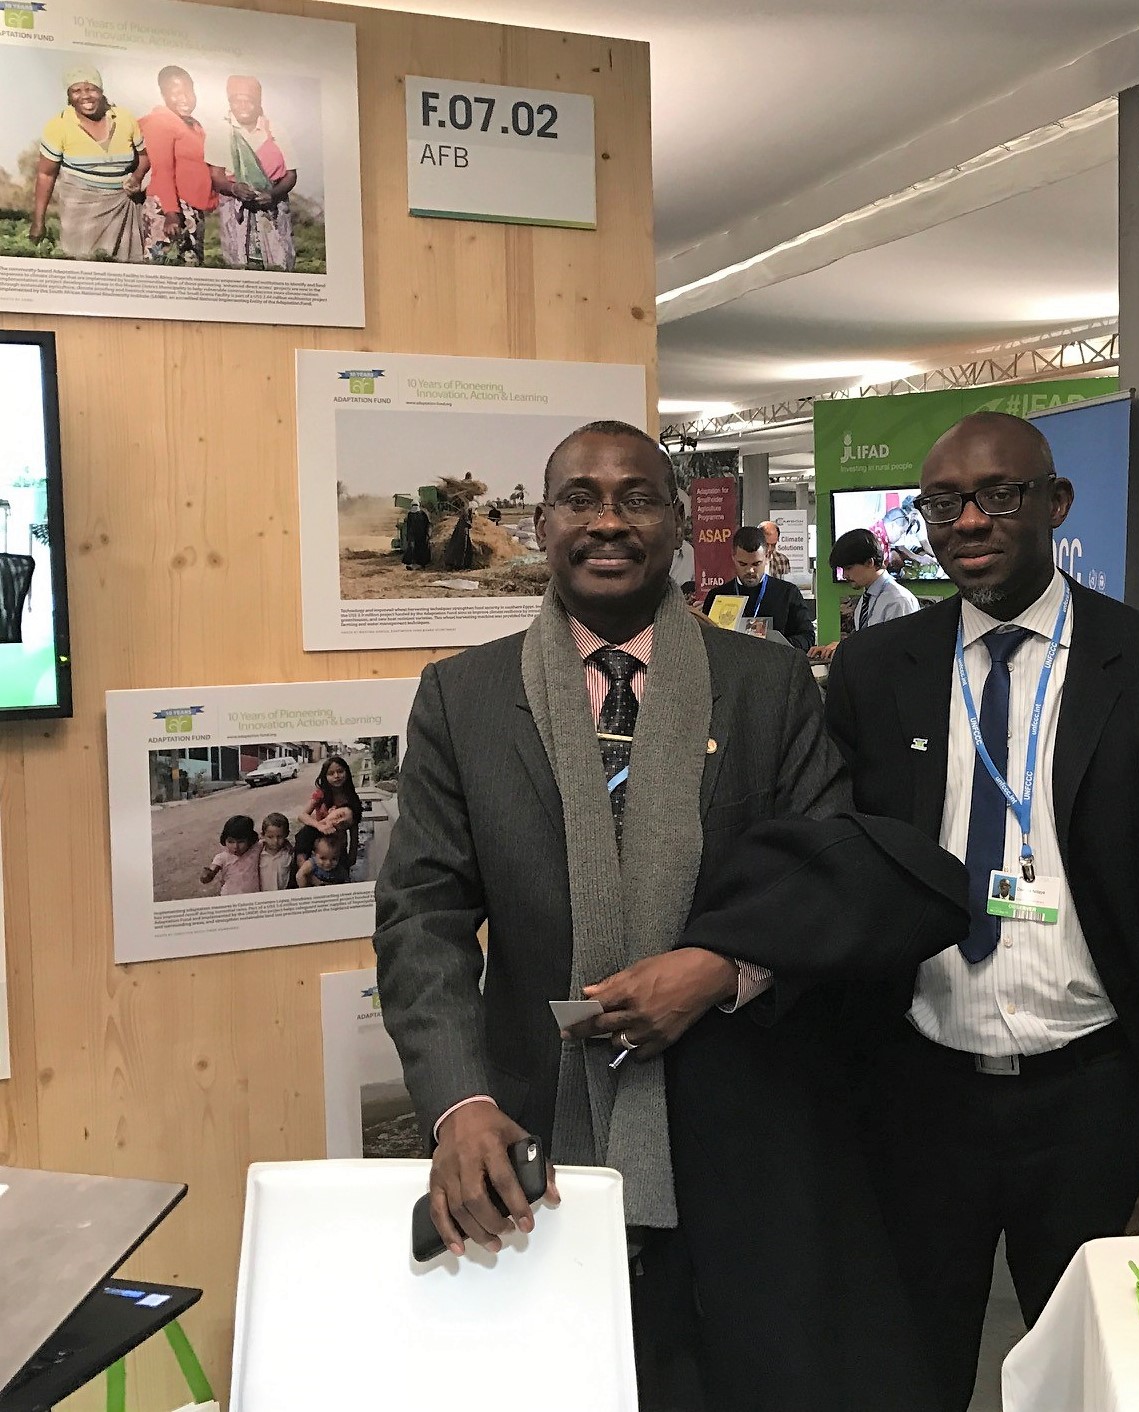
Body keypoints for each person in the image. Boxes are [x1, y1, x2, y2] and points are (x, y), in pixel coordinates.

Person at [374, 419, 966, 1412]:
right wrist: (458, 1104)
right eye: (580, 499)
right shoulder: (461, 697)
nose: (607, 521)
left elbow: (827, 874)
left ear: (679, 524)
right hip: (534, 1127)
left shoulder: (766, 684)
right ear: (543, 522)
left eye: (637, 498)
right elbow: (420, 914)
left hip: (742, 1130)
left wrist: (724, 965)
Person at [823, 411, 1139, 1409]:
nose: (969, 521)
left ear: (1055, 504)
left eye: (998, 494)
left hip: (1097, 1103)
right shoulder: (875, 670)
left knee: (1098, 1381)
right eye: (943, 504)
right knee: (905, 1371)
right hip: (917, 1095)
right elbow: (844, 880)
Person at [30, 66, 148, 262]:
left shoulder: (124, 118)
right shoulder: (58, 126)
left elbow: (144, 157)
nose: (85, 96)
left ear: (101, 91)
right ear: (69, 96)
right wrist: (38, 221)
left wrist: (137, 177)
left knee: (126, 268)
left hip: (123, 205)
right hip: (80, 209)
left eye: (91, 89)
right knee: (83, 265)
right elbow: (46, 175)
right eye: (76, 90)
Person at [210, 76, 297, 271]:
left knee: (279, 266)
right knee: (239, 266)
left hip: (273, 206)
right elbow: (216, 176)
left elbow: (291, 175)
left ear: (258, 102)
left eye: (248, 100)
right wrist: (234, 188)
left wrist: (272, 194)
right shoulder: (220, 131)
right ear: (229, 101)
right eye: (236, 100)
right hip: (236, 208)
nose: (242, 106)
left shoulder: (275, 130)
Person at [809, 526, 920, 662]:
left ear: (869, 562)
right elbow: (870, 643)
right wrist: (841, 649)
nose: (844, 575)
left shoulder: (898, 601)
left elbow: (898, 654)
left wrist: (846, 649)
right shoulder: (866, 598)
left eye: (849, 568)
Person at [139, 67, 215, 266]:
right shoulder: (160, 122)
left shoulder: (193, 125)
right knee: (165, 270)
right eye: (176, 92)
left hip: (190, 210)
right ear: (164, 94)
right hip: (167, 209)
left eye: (189, 91)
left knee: (190, 273)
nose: (185, 98)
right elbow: (162, 170)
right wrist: (171, 213)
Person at [702, 526, 816, 650]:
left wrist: (778, 646)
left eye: (756, 564)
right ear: (733, 558)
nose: (750, 570)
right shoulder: (717, 596)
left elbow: (808, 637)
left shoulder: (788, 593)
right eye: (743, 564)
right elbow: (704, 641)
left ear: (767, 557)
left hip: (776, 659)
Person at [296, 755, 361, 869]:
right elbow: (302, 815)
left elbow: (354, 826)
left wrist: (353, 853)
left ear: (347, 772)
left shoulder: (351, 798)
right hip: (319, 842)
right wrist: (319, 825)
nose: (336, 776)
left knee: (340, 874)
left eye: (340, 771)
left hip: (339, 844)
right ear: (325, 777)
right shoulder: (321, 794)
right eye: (331, 773)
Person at [200, 815, 261, 895]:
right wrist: (207, 875)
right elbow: (211, 871)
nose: (235, 846)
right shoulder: (222, 858)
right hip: (229, 897)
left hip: (253, 897)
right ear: (224, 840)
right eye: (230, 842)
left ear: (250, 840)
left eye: (241, 842)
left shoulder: (255, 849)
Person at [257, 812, 295, 891]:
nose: (275, 841)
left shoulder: (290, 854)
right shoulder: (257, 854)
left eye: (279, 837)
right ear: (262, 835)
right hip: (262, 895)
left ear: (287, 834)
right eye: (270, 837)